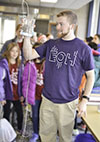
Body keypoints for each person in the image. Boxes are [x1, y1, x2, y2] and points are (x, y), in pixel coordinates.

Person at [23, 10, 94, 142]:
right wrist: (27, 35)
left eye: (61, 24)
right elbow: (28, 55)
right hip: (47, 101)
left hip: (68, 103)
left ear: (72, 26)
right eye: (57, 24)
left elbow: (91, 76)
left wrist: (84, 100)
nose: (58, 27)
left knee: (65, 139)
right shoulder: (51, 44)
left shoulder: (84, 49)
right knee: (46, 138)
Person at [0, 42, 24, 135]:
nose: (14, 53)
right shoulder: (3, 64)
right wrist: (2, 97)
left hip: (17, 94)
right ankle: (7, 133)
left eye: (16, 51)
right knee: (6, 114)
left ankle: (19, 129)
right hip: (7, 94)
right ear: (8, 51)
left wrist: (22, 94)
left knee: (20, 113)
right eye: (12, 51)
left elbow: (22, 81)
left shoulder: (20, 64)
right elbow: (0, 82)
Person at [29, 43, 44, 142]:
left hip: (45, 96)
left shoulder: (47, 63)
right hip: (34, 95)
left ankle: (43, 133)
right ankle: (35, 133)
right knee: (35, 115)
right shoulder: (30, 64)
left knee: (44, 116)